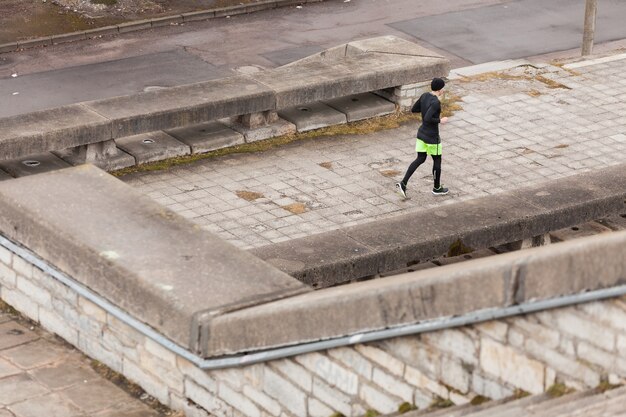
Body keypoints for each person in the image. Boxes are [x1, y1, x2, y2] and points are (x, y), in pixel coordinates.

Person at [396, 77, 449, 198]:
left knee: (420, 158)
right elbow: (428, 118)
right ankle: (437, 188)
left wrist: (425, 109)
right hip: (432, 137)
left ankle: (403, 183)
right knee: (437, 160)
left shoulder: (425, 95)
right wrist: (441, 120)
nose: (443, 90)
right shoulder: (436, 102)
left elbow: (414, 109)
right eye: (443, 88)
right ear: (440, 89)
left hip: (421, 134)